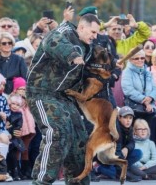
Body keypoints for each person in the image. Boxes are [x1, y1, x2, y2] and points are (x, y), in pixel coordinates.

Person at [26, 14, 100, 185]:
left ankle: (78, 182)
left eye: (97, 33)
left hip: (64, 96)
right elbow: (53, 40)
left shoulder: (88, 46)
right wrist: (72, 55)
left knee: (79, 138)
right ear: (81, 27)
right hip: (41, 92)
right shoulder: (66, 32)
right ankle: (41, 181)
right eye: (93, 32)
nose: (95, 36)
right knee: (57, 132)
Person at [95, 106, 143, 182]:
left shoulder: (129, 129)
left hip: (120, 155)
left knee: (138, 153)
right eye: (125, 118)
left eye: (130, 118)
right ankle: (98, 168)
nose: (128, 121)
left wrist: (127, 148)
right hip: (108, 157)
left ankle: (122, 170)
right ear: (119, 118)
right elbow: (114, 152)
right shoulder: (115, 129)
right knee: (114, 172)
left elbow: (132, 142)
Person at [122, 50, 156, 136]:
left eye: (142, 58)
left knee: (149, 136)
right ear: (130, 60)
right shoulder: (127, 72)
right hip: (135, 110)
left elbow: (155, 88)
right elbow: (128, 90)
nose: (140, 60)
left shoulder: (147, 71)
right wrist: (144, 100)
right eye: (136, 58)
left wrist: (150, 97)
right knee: (136, 135)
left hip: (149, 109)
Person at [11, 77, 36, 179]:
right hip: (20, 128)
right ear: (16, 89)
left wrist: (27, 99)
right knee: (18, 149)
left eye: (24, 89)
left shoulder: (27, 98)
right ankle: (16, 170)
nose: (23, 91)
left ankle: (26, 170)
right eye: (21, 89)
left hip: (29, 128)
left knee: (25, 149)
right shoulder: (13, 99)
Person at [6, 94, 25, 181]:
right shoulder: (6, 112)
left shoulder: (19, 115)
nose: (15, 106)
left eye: (18, 105)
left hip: (13, 139)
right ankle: (9, 171)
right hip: (6, 137)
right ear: (9, 103)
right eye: (13, 104)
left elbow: (18, 126)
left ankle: (15, 172)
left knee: (13, 156)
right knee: (8, 156)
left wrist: (10, 130)